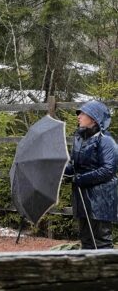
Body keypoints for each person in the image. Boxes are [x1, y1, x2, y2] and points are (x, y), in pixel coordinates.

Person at [64, 100, 117, 249]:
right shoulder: (79, 139)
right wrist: (63, 169)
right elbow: (75, 165)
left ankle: (107, 271)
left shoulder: (106, 141)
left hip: (101, 198)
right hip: (82, 197)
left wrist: (81, 179)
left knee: (101, 241)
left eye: (82, 113)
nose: (78, 116)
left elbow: (108, 170)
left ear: (93, 118)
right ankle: (89, 271)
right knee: (86, 239)